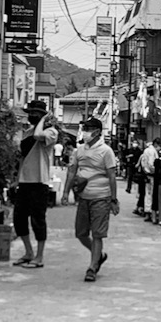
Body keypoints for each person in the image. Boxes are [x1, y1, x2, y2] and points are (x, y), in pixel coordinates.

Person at [63, 117, 118, 280]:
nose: (85, 131)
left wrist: (114, 199)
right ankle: (98, 255)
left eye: (88, 128)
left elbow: (112, 176)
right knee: (80, 233)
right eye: (84, 128)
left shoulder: (106, 151)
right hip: (83, 197)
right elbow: (72, 172)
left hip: (101, 197)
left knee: (97, 234)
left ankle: (92, 268)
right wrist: (66, 192)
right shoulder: (78, 150)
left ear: (97, 132)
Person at [12, 101, 59, 268]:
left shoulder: (51, 132)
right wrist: (17, 180)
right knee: (19, 218)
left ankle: (39, 256)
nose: (31, 116)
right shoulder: (27, 132)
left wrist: (44, 120)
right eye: (30, 112)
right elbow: (22, 157)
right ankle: (28, 251)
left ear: (43, 116)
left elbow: (39, 136)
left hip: (40, 181)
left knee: (38, 220)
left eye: (35, 113)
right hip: (24, 181)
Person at [136, 138, 159, 215]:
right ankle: (149, 211)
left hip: (146, 174)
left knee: (147, 193)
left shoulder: (146, 151)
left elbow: (143, 163)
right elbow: (151, 164)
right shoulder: (152, 152)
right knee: (151, 194)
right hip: (151, 175)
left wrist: (145, 171)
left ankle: (147, 210)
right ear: (156, 144)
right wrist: (154, 172)